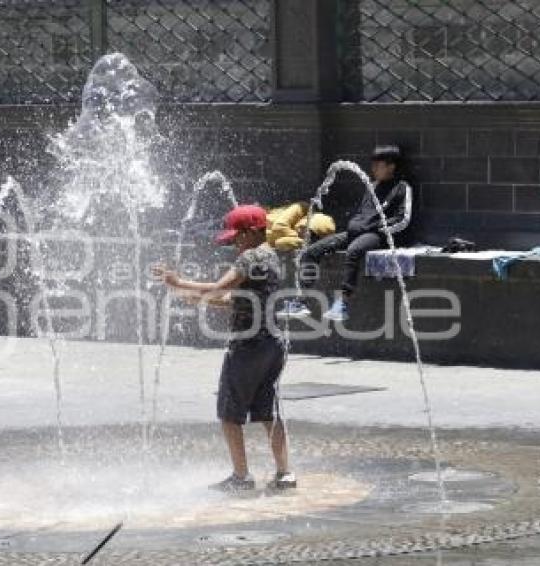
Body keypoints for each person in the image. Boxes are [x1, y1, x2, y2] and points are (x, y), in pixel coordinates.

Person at [153, 205, 296, 493]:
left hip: (248, 347)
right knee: (269, 412)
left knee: (230, 413)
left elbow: (220, 287)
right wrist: (200, 297)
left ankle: (241, 477)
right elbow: (236, 298)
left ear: (251, 232)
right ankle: (285, 474)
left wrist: (179, 282)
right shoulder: (271, 257)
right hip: (273, 344)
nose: (234, 244)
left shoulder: (251, 256)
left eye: (236, 237)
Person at [281, 145, 413, 321]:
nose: (373, 168)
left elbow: (403, 219)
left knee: (353, 251)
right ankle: (301, 301)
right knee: (311, 252)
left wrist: (379, 229)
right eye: (372, 164)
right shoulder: (372, 186)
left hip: (377, 235)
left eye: (378, 165)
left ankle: (341, 304)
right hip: (355, 231)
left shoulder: (402, 188)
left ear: (391, 166)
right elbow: (362, 212)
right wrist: (356, 225)